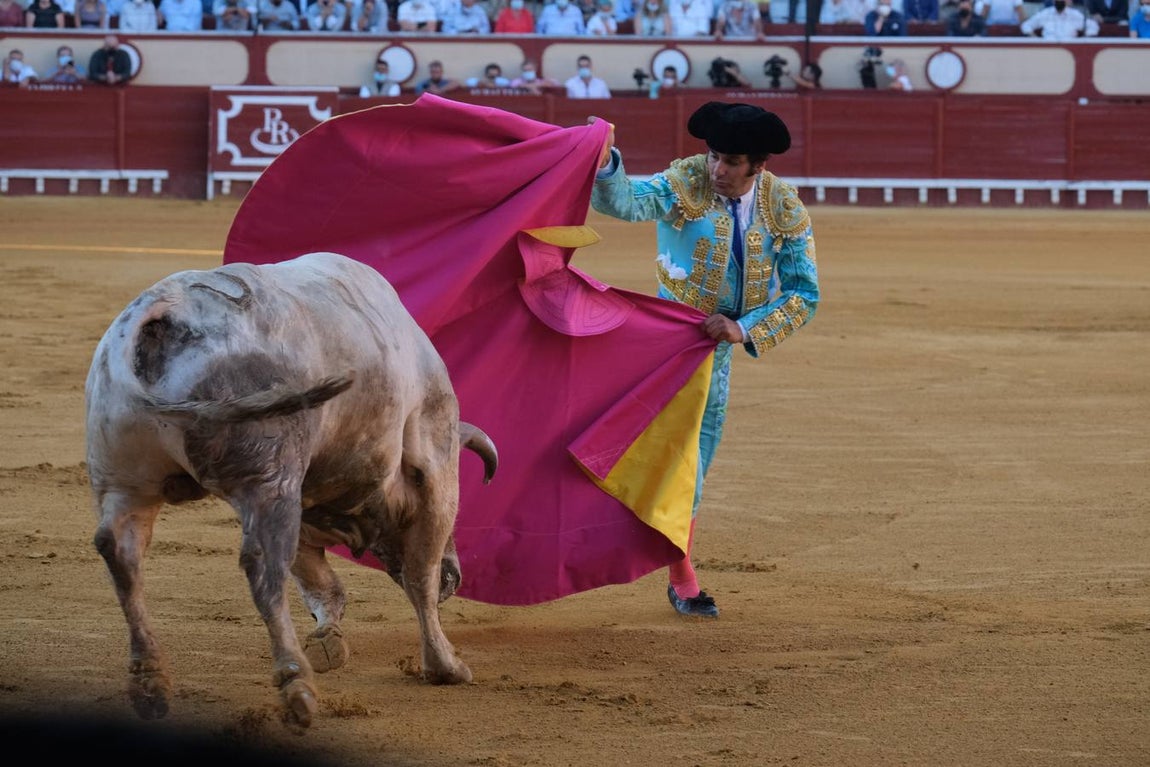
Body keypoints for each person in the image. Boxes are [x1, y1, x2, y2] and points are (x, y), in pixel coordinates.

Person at [589, 101, 819, 618]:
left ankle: (679, 573)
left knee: (691, 463)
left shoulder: (783, 207)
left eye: (731, 161)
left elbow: (804, 293)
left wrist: (743, 328)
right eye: (713, 156)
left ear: (757, 165)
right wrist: (606, 164)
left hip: (712, 355)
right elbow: (625, 203)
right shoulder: (685, 183)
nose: (717, 170)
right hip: (655, 344)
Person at [1020, 0, 1099, 37]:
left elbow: (1093, 26)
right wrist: (1036, 40)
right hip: (1048, 49)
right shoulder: (1045, 13)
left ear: (1069, 1)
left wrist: (1083, 40)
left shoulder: (1075, 14)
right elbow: (1026, 25)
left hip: (1071, 49)